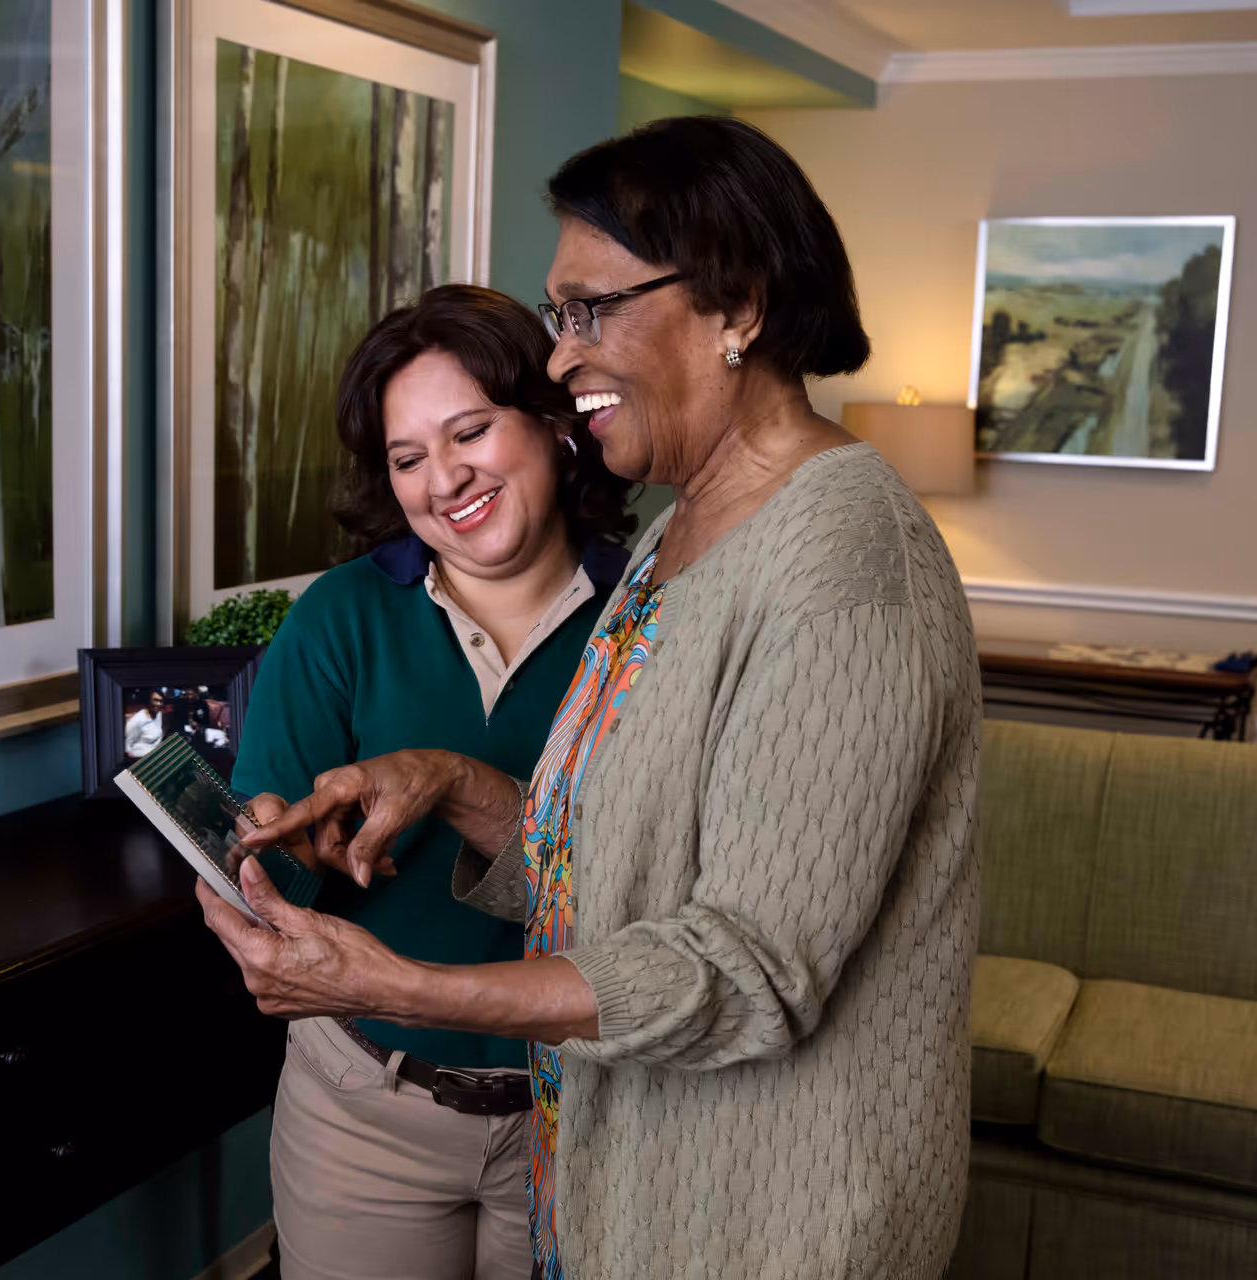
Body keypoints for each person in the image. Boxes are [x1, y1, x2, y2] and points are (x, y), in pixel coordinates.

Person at [206, 117, 981, 1280]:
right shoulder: (687, 533)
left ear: (738, 305)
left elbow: (747, 970)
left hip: (766, 1212)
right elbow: (625, 873)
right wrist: (454, 782)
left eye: (588, 310)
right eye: (557, 316)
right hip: (631, 1170)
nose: (562, 360)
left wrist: (398, 983)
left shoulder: (843, 561)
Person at [230, 284, 636, 1280]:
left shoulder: (650, 619)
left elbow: (650, 897)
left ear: (551, 424)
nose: (443, 478)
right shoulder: (339, 616)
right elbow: (257, 853)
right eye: (408, 458)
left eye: (470, 432)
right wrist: (255, 876)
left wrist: (459, 786)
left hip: (593, 1111)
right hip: (365, 1109)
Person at [124, 689, 166, 759]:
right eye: (155, 700)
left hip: (155, 756)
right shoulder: (137, 720)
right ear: (149, 701)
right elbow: (127, 746)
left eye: (161, 701)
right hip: (140, 758)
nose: (158, 704)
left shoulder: (158, 714)